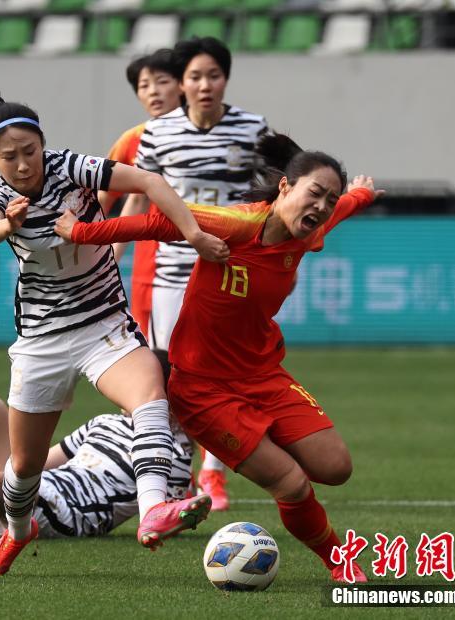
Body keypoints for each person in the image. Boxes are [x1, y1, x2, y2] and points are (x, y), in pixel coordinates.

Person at [55, 134, 382, 583]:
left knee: (336, 468)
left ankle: (263, 445)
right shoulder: (235, 225)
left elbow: (341, 209)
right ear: (285, 187)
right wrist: (82, 232)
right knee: (291, 483)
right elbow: (159, 223)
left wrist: (359, 194)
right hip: (202, 389)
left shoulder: (311, 231)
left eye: (329, 199)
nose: (324, 206)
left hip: (263, 374)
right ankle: (340, 563)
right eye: (315, 193)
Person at [0, 91, 225, 577]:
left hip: (103, 323)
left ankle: (153, 509)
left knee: (152, 396)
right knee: (22, 466)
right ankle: (18, 532)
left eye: (30, 150)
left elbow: (148, 179)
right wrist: (8, 223)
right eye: (9, 156)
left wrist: (191, 233)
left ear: (43, 143)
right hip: (43, 339)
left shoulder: (71, 167)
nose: (23, 164)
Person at [134, 37, 271, 512]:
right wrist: (112, 244)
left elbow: (273, 195)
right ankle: (176, 477)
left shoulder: (253, 129)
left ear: (225, 79)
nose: (204, 84)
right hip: (172, 273)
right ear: (184, 84)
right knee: (171, 379)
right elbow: (137, 193)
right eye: (195, 76)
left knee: (224, 378)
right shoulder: (158, 133)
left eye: (213, 75)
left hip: (230, 273)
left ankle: (213, 475)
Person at [0, 393, 201, 544]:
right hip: (39, 491)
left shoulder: (172, 453)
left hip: (68, 515)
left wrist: (192, 502)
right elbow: (41, 457)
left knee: (6, 481)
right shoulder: (104, 422)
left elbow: (161, 517)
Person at [97, 49, 184, 342]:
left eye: (162, 81)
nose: (153, 92)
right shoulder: (133, 140)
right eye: (144, 86)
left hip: (207, 258)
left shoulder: (216, 135)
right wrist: (108, 260)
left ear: (181, 84)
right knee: (159, 356)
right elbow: (104, 203)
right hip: (153, 267)